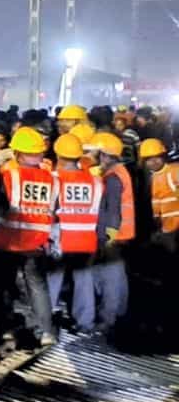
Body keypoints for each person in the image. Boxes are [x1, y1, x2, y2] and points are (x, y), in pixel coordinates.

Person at [0, 127, 58, 345]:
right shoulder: (52, 179)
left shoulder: (9, 176)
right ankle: (46, 332)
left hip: (10, 240)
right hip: (38, 241)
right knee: (38, 287)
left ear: (17, 153)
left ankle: (6, 328)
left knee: (5, 285)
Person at [47, 134, 100, 334]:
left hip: (60, 237)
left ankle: (47, 322)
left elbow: (50, 212)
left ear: (58, 154)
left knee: (53, 279)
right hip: (86, 238)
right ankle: (85, 323)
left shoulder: (54, 179)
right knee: (84, 280)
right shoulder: (95, 181)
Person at [92, 132, 135, 332]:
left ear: (105, 155)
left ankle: (109, 318)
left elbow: (112, 209)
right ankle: (120, 312)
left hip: (114, 234)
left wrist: (108, 236)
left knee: (109, 277)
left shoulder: (112, 178)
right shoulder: (119, 171)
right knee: (117, 275)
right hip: (121, 233)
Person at [141, 138, 179, 253]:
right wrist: (156, 218)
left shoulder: (175, 170)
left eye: (157, 157)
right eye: (149, 159)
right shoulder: (153, 178)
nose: (153, 161)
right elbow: (156, 201)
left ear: (163, 156)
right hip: (167, 227)